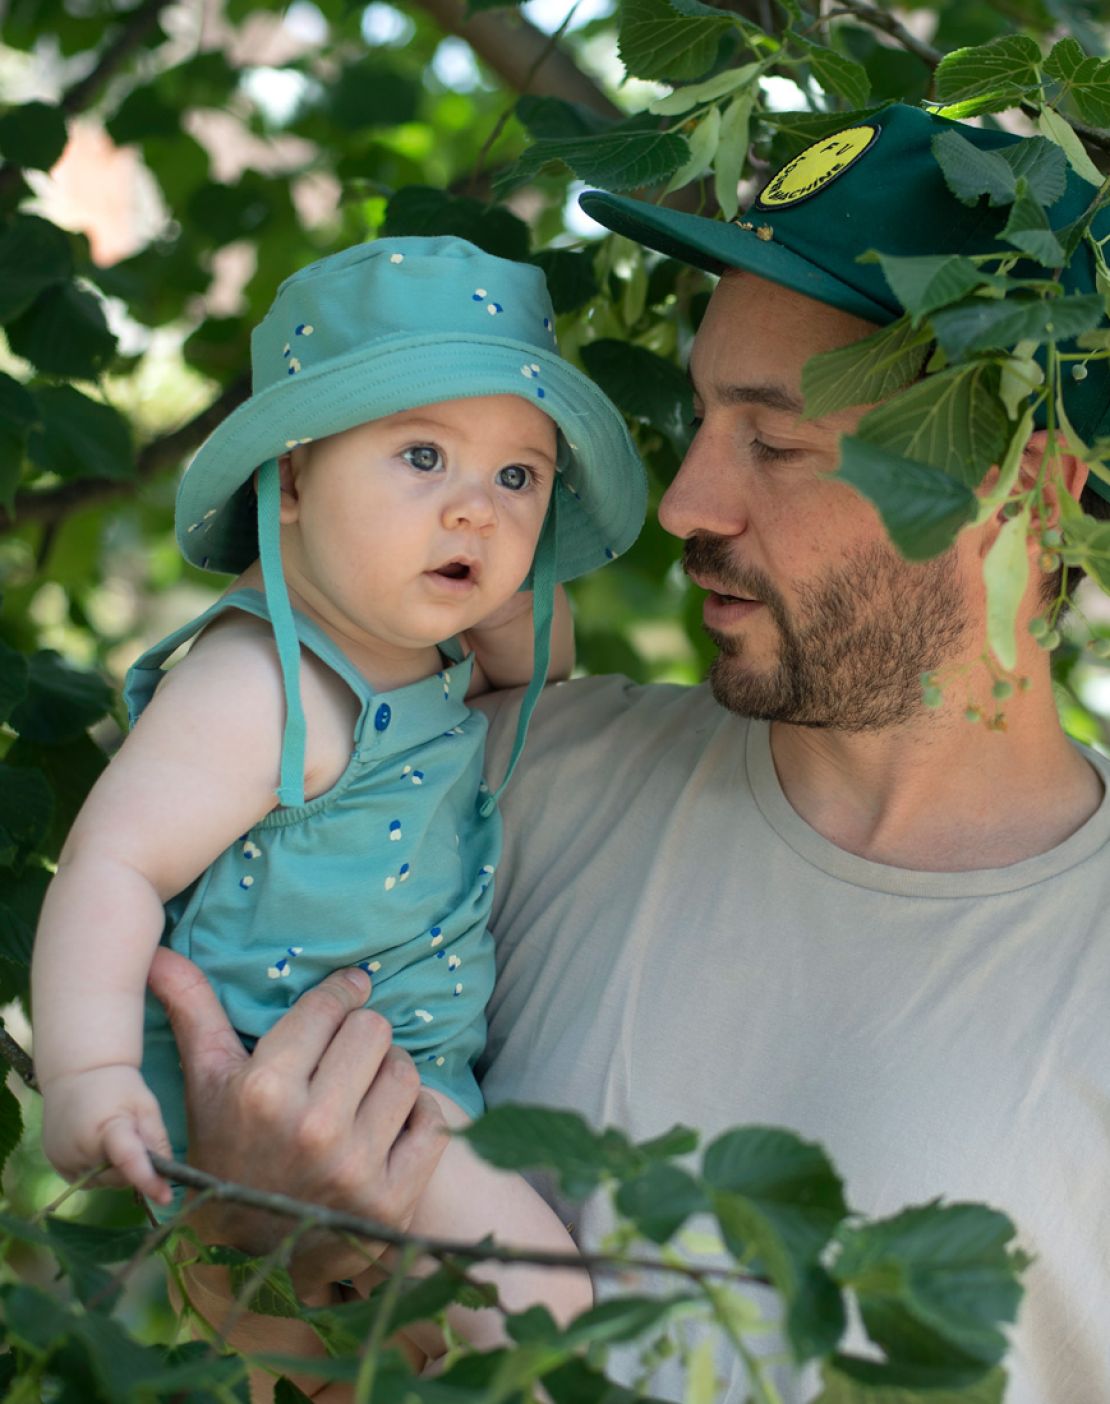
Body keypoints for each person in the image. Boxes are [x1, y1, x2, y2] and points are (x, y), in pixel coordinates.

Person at [148, 105, 1110, 1403]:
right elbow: (294, 1354)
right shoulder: (501, 785)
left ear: (1033, 493)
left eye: (773, 442)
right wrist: (243, 1236)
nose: (687, 503)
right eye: (704, 420)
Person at [30, 235, 647, 1351]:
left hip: (399, 1078)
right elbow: (112, 863)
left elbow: (537, 677)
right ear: (298, 478)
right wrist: (88, 1072)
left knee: (349, 1358)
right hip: (281, 1089)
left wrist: (493, 585)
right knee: (548, 1317)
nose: (477, 511)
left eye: (519, 478)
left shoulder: (414, 647)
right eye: (423, 456)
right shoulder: (265, 683)